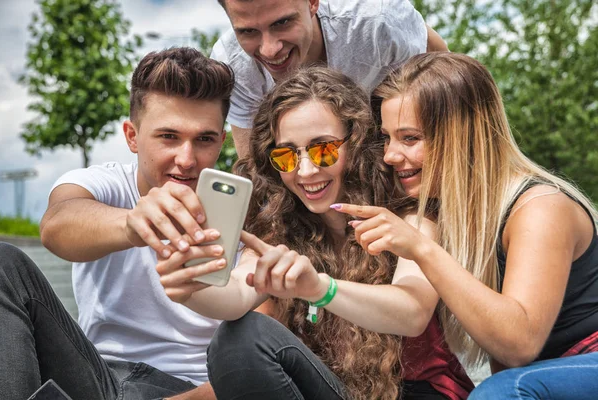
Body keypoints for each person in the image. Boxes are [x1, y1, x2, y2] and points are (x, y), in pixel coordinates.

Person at [156, 66, 473, 399]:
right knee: (238, 338)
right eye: (287, 155)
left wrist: (319, 288)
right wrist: (190, 285)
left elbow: (413, 312)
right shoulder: (280, 227)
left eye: (324, 149)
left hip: (418, 394)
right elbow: (236, 295)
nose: (305, 171)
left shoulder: (408, 214)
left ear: (357, 141)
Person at [332, 52, 598, 399]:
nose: (390, 155)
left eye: (410, 138)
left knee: (500, 392)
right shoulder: (452, 213)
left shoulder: (540, 207)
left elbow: (519, 345)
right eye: (387, 138)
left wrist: (421, 248)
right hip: (541, 380)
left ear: (463, 136)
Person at [0, 47, 233, 399]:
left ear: (222, 141)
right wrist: (131, 225)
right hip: (95, 374)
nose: (186, 160)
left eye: (204, 139)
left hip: (185, 389)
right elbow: (56, 224)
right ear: (132, 136)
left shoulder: (241, 210)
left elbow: (259, 349)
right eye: (168, 136)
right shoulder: (103, 183)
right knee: (3, 264)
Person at [211, 0, 448, 158]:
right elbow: (255, 167)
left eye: (282, 22)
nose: (270, 50)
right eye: (248, 31)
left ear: (313, 2)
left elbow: (445, 70)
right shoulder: (233, 66)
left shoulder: (376, 23)